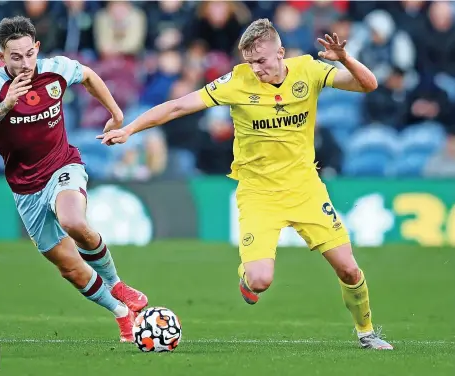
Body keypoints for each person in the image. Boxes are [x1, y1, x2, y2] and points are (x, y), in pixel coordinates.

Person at [98, 18, 393, 350]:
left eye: (262, 61)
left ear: (280, 53)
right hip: (258, 194)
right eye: (250, 62)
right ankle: (247, 278)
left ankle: (367, 333)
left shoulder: (308, 70)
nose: (256, 69)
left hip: (305, 189)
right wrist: (130, 130)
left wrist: (345, 59)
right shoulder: (236, 82)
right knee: (260, 280)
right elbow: (179, 105)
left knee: (349, 270)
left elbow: (368, 85)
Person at [0, 16, 147, 343]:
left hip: (63, 165)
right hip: (25, 188)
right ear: (1, 57)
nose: (24, 63)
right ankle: (121, 313)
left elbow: (88, 75)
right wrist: (6, 105)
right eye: (14, 57)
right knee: (70, 269)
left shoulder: (56, 69)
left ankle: (118, 285)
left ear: (37, 48)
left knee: (74, 220)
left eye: (28, 54)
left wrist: (116, 114)